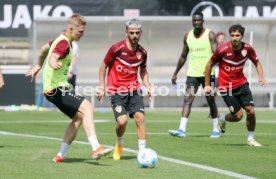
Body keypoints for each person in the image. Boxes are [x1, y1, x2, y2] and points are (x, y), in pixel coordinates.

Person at [25, 13, 111, 162]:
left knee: (78, 117)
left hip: (53, 89)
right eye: (80, 32)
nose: (82, 34)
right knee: (88, 107)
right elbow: (52, 56)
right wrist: (52, 62)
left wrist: (39, 65)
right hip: (56, 88)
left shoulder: (61, 40)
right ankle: (96, 147)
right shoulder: (64, 44)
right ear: (71, 28)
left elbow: (44, 49)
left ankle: (60, 155)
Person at [204, 24, 267, 147]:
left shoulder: (247, 49)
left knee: (251, 111)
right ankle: (223, 118)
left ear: (242, 36)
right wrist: (207, 85)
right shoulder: (222, 50)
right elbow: (208, 65)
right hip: (226, 87)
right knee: (238, 116)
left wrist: (261, 77)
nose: (234, 38)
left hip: (241, 84)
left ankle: (250, 139)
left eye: (237, 35)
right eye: (232, 35)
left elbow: (257, 63)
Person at [98, 18, 152, 160]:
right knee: (122, 121)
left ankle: (142, 153)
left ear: (141, 33)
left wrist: (148, 86)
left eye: (137, 33)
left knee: (140, 118)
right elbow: (103, 66)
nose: (135, 35)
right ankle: (119, 144)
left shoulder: (143, 53)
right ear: (126, 32)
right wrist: (102, 87)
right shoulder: (116, 49)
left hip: (134, 89)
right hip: (116, 90)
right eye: (132, 32)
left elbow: (143, 71)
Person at [168, 11, 220, 138]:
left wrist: (216, 71)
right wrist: (175, 73)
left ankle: (215, 129)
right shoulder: (187, 36)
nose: (196, 22)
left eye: (199, 20)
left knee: (210, 100)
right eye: (194, 20)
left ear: (203, 21)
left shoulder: (210, 35)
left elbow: (216, 54)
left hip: (208, 74)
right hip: (192, 74)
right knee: (187, 99)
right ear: (192, 21)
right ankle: (181, 129)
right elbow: (183, 56)